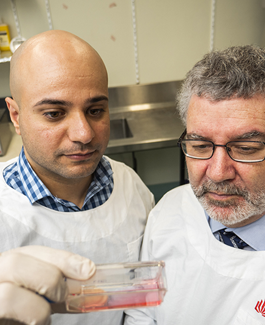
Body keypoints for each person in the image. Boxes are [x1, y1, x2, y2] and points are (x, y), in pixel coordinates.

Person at [1, 30, 154, 325]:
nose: (84, 134)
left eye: (95, 110)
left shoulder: (130, 186)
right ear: (16, 117)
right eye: (55, 114)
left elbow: (142, 298)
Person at [124, 45, 265, 325]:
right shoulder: (171, 209)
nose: (217, 173)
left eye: (246, 148)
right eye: (200, 146)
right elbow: (140, 310)